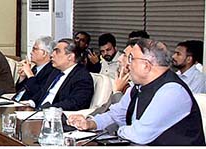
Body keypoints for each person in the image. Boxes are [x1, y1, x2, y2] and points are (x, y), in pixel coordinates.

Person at [68, 39, 205, 145]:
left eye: (130, 58)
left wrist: (116, 132)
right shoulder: (138, 87)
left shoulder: (172, 91)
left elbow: (140, 134)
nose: (125, 63)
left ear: (146, 65)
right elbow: (117, 115)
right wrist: (90, 123)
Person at [22, 38, 93, 111]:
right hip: (37, 111)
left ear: (70, 57)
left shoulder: (82, 77)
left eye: (57, 51)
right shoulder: (56, 71)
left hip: (54, 115)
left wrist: (49, 108)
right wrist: (30, 102)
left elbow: (75, 103)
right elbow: (42, 92)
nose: (52, 55)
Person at [14, 36, 59, 101]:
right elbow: (18, 91)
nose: (31, 52)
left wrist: (30, 75)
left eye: (34, 49)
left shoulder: (51, 70)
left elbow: (37, 94)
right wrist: (22, 77)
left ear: (44, 53)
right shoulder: (35, 68)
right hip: (17, 102)